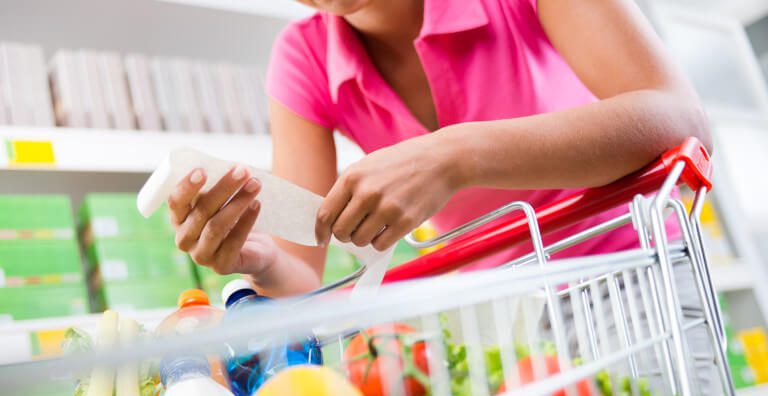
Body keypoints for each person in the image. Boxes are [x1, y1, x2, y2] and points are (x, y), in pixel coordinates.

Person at [167, 0, 710, 297]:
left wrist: (456, 155)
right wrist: (257, 261)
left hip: (633, 275)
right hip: (501, 313)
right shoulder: (301, 58)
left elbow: (682, 121)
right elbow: (302, 274)